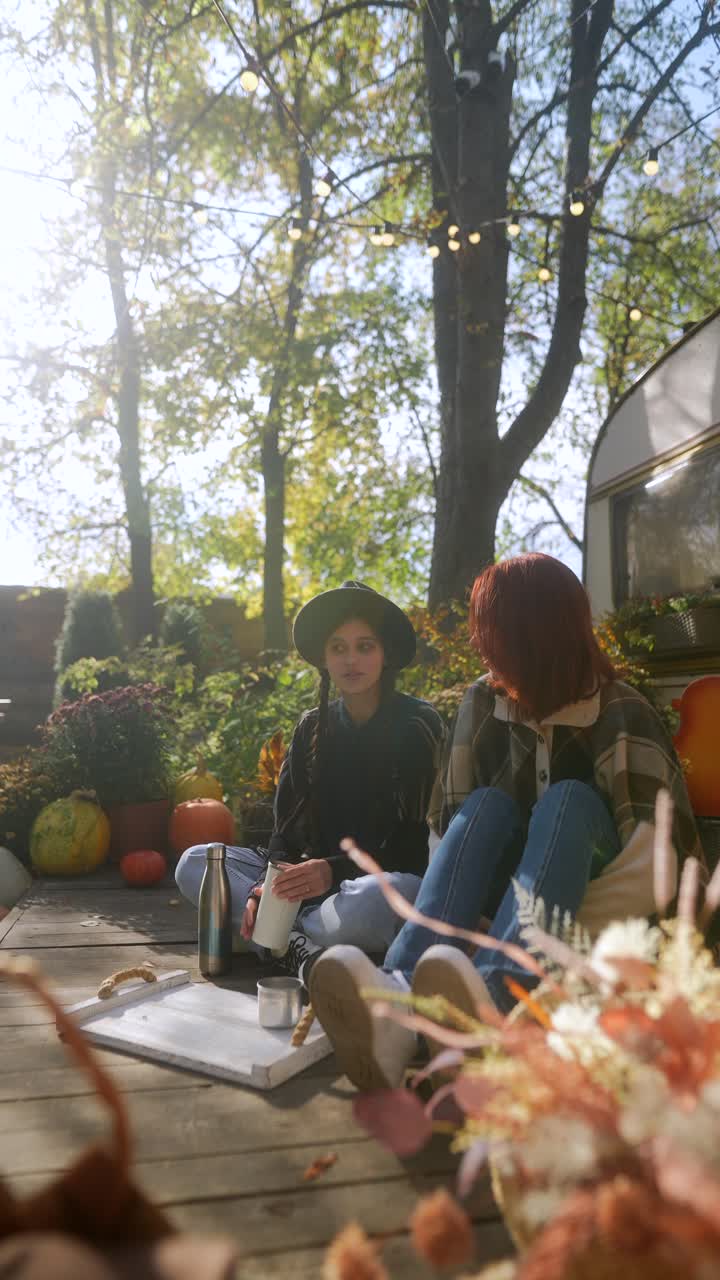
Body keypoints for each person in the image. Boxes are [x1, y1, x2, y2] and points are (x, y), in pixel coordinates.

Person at [309, 553, 705, 1090]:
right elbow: (444, 833)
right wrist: (484, 920)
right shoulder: (483, 701)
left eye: (492, 632)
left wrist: (525, 934)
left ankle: (496, 1007)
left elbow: (653, 873)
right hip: (499, 923)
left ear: (537, 635)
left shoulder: (621, 711)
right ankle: (396, 1007)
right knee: (484, 807)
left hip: (610, 930)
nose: (482, 647)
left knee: (569, 800)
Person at [175, 580, 445, 985]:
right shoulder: (311, 726)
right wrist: (262, 889)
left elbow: (410, 849)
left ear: (385, 653)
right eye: (338, 647)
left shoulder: (417, 725)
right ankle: (299, 947)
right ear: (324, 658)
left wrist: (330, 873)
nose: (351, 659)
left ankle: (273, 939)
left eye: (364, 646)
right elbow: (285, 831)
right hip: (308, 884)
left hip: (374, 884)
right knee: (196, 864)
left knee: (372, 901)